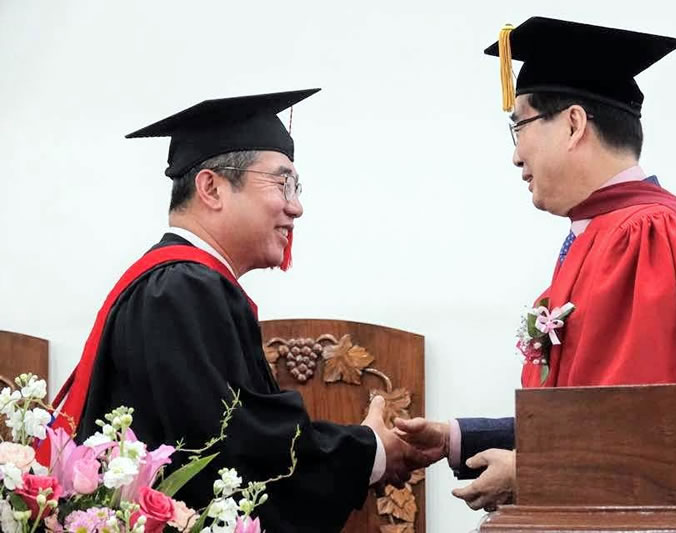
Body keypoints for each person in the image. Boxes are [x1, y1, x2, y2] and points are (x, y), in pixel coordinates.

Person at [396, 16, 676, 512]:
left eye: (519, 126)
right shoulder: (605, 231)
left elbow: (650, 428)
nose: (515, 155)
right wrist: (455, 438)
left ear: (572, 125)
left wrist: (531, 473)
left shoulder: (646, 236)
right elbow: (587, 413)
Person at [49, 89, 424, 532]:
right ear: (211, 188)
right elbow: (238, 451)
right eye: (282, 184)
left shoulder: (181, 286)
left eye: (296, 187)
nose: (296, 207)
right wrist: (370, 450)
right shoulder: (181, 290)